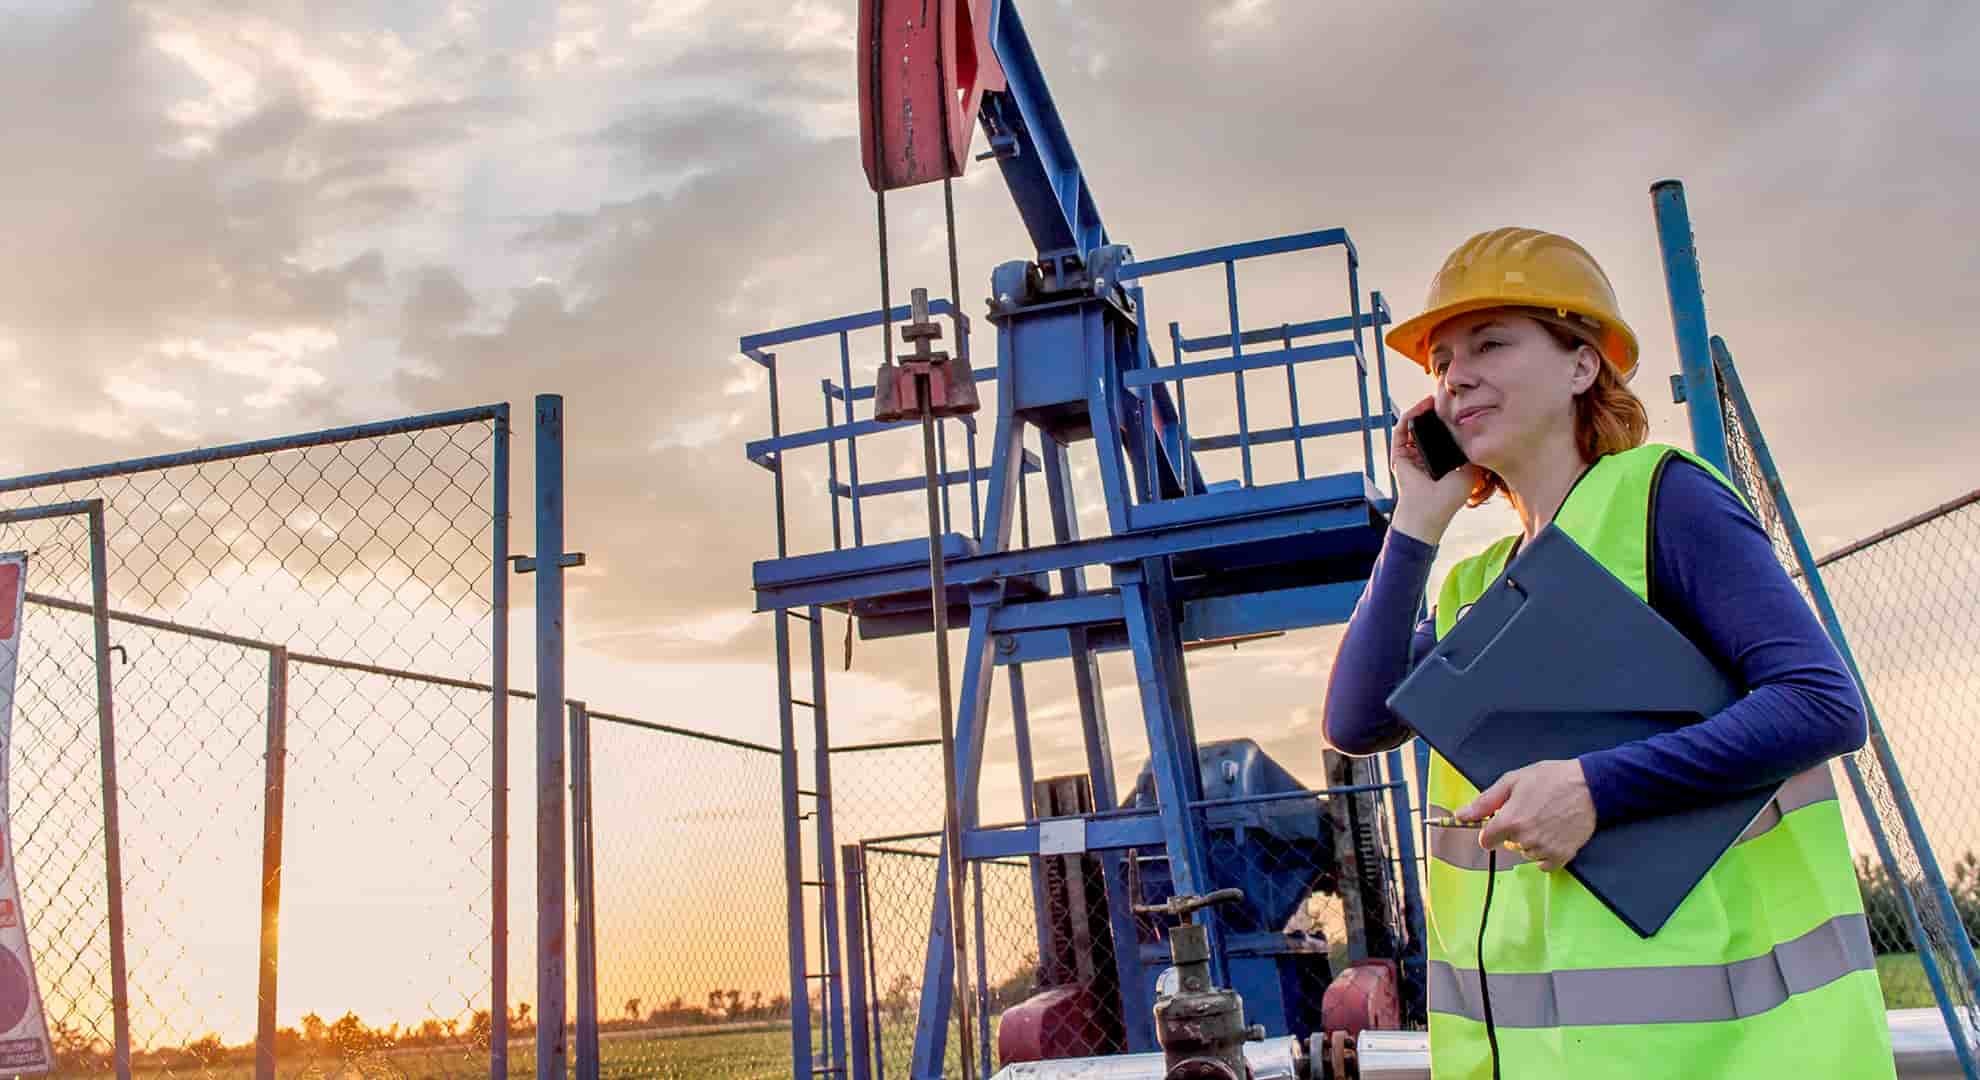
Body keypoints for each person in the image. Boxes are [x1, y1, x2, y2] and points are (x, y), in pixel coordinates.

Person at [1322, 227, 1896, 1078]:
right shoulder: (1478, 584)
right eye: (1442, 360)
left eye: (1491, 343)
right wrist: (1415, 521)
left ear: (1582, 365)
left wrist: (1595, 788)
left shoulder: (1664, 500)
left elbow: (1820, 702)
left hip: (1731, 1059)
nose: (1455, 377)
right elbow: (1357, 720)